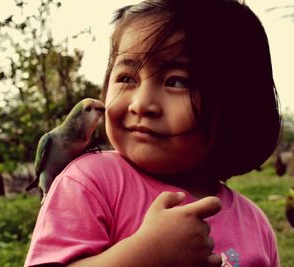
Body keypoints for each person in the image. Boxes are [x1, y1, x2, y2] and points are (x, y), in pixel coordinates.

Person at [25, 0, 281, 266]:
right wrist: (144, 256)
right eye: (127, 79)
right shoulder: (89, 183)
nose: (141, 104)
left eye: (176, 81)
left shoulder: (256, 225)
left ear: (237, 105)